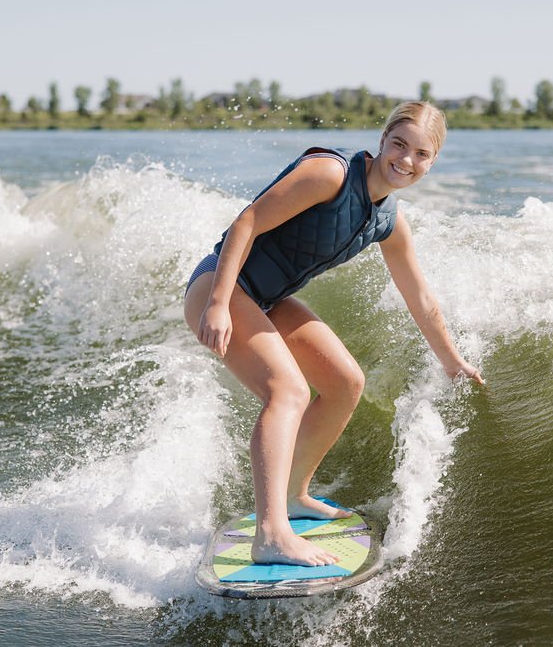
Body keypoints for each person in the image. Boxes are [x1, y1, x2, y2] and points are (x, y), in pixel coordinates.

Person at [184, 101, 484, 568]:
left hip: (266, 297)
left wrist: (452, 360)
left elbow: (420, 297)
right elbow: (247, 222)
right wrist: (219, 303)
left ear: (432, 161)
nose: (406, 159)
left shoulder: (389, 221)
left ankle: (293, 495)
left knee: (345, 383)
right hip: (219, 285)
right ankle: (270, 535)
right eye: (399, 144)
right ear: (382, 140)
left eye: (421, 153)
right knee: (288, 391)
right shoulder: (330, 173)